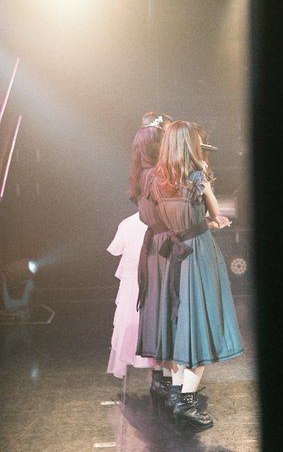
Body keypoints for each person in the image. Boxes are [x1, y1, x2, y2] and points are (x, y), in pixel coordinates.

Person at [146, 120, 244, 430]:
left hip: (176, 255)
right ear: (190, 145)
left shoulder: (156, 181)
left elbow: (172, 218)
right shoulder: (197, 176)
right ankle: (186, 402)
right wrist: (212, 218)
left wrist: (197, 222)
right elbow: (215, 212)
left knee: (180, 324)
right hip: (198, 255)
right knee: (202, 324)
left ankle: (178, 394)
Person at [106, 112, 172, 391]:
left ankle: (157, 368)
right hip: (157, 231)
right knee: (157, 298)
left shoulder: (142, 171)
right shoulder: (157, 174)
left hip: (147, 230)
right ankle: (160, 368)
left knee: (147, 298)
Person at [106, 212, 156, 378]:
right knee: (140, 320)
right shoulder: (137, 222)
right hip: (140, 278)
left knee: (135, 320)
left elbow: (117, 249)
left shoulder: (129, 223)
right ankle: (157, 368)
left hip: (141, 277)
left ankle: (156, 368)